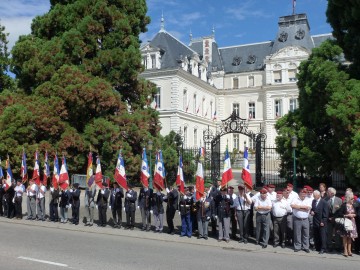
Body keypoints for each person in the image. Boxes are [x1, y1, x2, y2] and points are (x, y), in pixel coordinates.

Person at [336, 192, 358, 257]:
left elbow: (356, 213)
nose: (353, 200)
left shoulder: (353, 205)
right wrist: (347, 215)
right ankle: (345, 250)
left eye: (353, 199)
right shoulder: (344, 205)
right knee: (345, 237)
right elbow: (339, 214)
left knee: (350, 237)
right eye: (352, 199)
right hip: (346, 222)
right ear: (348, 198)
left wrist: (354, 215)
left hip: (352, 222)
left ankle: (349, 250)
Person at [311, 190, 329, 254]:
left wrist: (323, 221)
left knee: (322, 236)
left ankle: (323, 248)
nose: (313, 196)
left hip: (321, 221)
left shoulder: (324, 202)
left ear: (318, 195)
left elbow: (325, 213)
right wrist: (311, 212)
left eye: (314, 195)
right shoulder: (313, 201)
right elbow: (312, 209)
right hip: (315, 221)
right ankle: (317, 247)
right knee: (316, 235)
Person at [326, 187, 342, 252]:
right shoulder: (325, 199)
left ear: (332, 193)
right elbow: (324, 210)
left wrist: (338, 209)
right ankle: (329, 246)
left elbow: (341, 210)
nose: (327, 193)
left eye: (328, 192)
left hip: (337, 219)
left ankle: (338, 246)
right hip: (329, 219)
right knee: (329, 233)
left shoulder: (339, 200)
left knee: (337, 233)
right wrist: (328, 217)